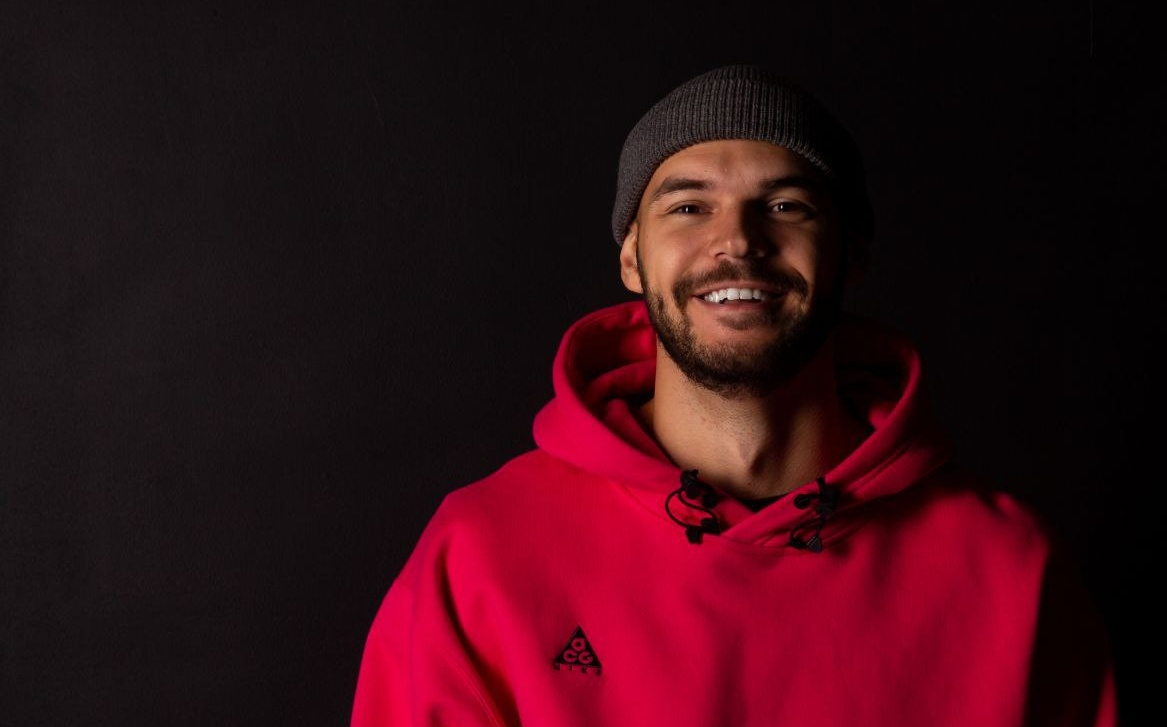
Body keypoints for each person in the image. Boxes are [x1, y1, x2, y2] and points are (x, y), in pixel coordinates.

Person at [349, 64, 1117, 727]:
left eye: (786, 206)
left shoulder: (1011, 573)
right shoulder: (482, 556)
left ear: (850, 254)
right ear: (631, 257)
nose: (739, 240)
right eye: (688, 206)